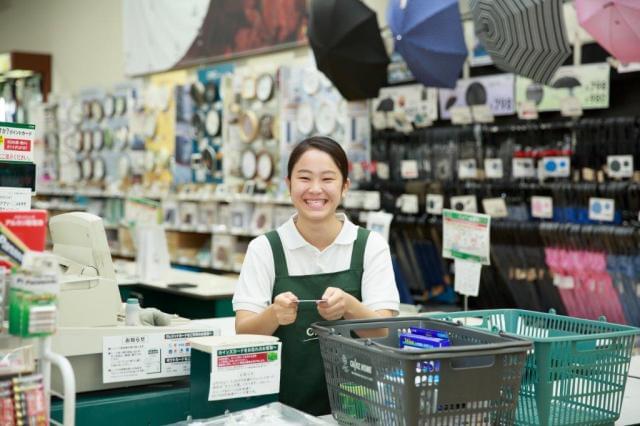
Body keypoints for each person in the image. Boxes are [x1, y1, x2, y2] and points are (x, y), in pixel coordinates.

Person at [232, 136, 400, 416]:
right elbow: (244, 331)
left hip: (357, 411)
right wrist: (274, 314)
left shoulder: (370, 246)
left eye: (328, 179)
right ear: (288, 185)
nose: (315, 189)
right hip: (280, 413)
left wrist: (348, 306)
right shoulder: (265, 249)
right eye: (304, 178)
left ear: (344, 186)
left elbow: (384, 330)